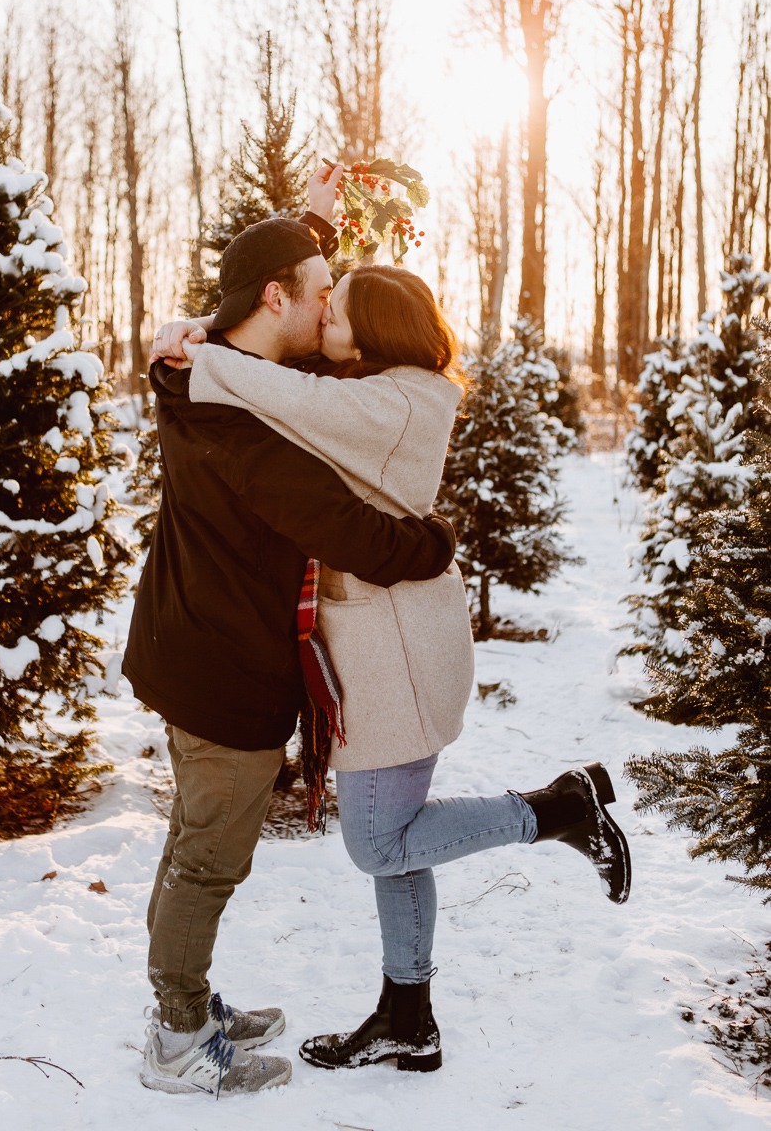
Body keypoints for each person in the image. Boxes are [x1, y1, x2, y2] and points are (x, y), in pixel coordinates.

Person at [160, 241, 632, 1076]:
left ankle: (556, 810)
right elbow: (279, 356)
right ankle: (406, 1016)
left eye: (334, 308)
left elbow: (273, 385)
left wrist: (190, 350)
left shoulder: (399, 403)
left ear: (369, 330)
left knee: (379, 844)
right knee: (400, 840)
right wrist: (209, 324)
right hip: (374, 639)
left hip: (396, 648)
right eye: (319, 299)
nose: (321, 315)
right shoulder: (372, 388)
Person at [125, 168, 459, 1098]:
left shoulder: (219, 360)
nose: (331, 309)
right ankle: (177, 1041)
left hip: (189, 643)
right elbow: (354, 534)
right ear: (280, 299)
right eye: (322, 291)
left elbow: (259, 312)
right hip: (219, 667)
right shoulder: (238, 421)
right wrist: (437, 539)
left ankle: (182, 1001)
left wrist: (310, 221)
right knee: (209, 857)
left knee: (196, 837)